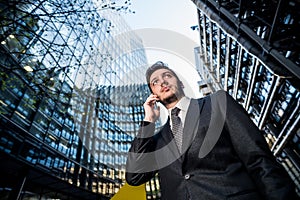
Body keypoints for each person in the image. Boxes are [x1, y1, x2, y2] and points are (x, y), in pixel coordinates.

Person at [125, 61, 298, 200]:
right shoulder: (158, 140)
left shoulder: (217, 103)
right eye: (155, 82)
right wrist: (148, 121)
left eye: (167, 76)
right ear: (153, 94)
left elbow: (257, 158)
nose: (162, 81)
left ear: (181, 83)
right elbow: (134, 177)